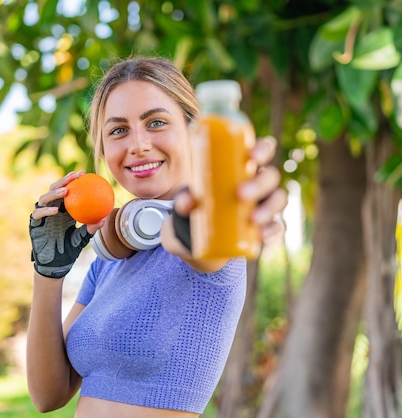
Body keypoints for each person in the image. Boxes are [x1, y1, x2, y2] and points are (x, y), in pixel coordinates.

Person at [27, 56, 287, 417]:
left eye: (157, 122)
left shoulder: (215, 234)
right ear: (103, 150)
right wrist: (48, 272)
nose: (139, 145)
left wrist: (231, 200)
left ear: (194, 132)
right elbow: (47, 396)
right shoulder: (108, 261)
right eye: (118, 130)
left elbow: (197, 242)